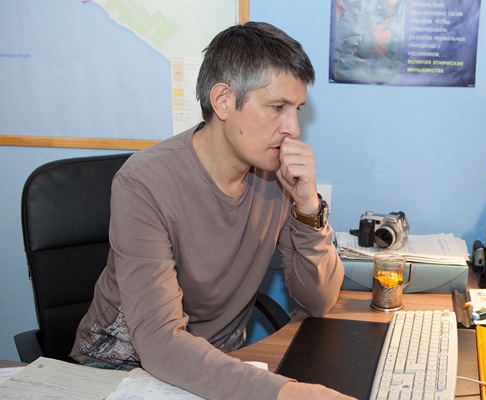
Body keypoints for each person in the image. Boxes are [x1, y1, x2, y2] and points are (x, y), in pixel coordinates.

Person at [71, 21, 353, 400]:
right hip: (120, 368)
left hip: (217, 365)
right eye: (277, 107)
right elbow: (158, 341)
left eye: (297, 109)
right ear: (222, 101)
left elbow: (318, 300)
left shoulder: (275, 175)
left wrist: (308, 207)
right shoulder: (144, 182)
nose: (293, 128)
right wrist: (285, 394)